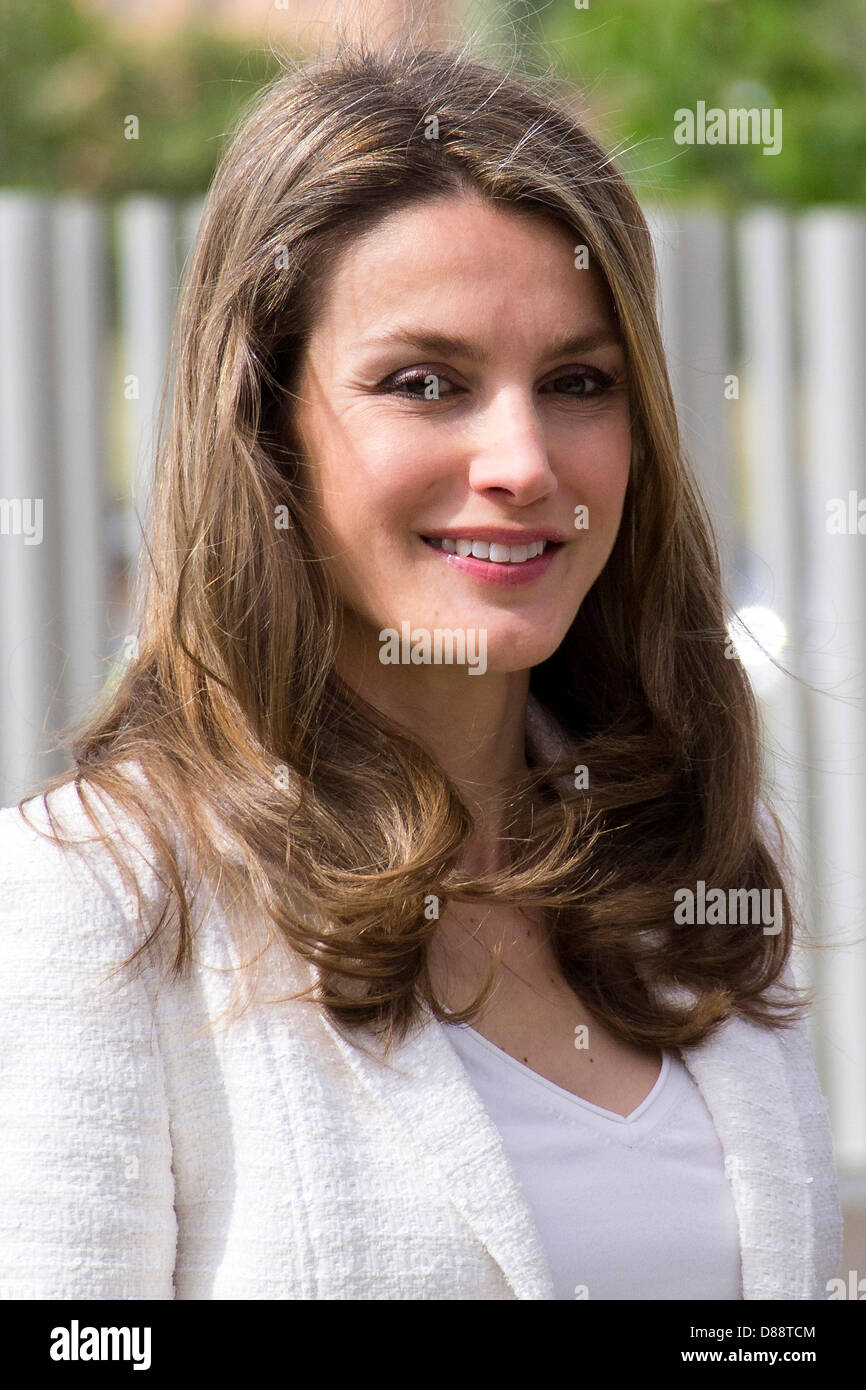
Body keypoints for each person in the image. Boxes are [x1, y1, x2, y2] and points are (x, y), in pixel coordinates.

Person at [0, 33, 842, 1301]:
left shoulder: (689, 856)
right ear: (265, 430)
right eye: (425, 382)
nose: (523, 459)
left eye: (576, 381)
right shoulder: (99, 897)